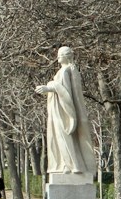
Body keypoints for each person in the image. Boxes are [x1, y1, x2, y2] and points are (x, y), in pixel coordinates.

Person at [35, 46, 96, 176]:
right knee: (60, 138)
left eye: (60, 54)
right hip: (58, 109)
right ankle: (65, 164)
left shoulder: (65, 71)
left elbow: (66, 94)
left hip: (62, 111)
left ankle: (74, 164)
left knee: (63, 137)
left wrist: (50, 87)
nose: (58, 57)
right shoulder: (66, 71)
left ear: (66, 56)